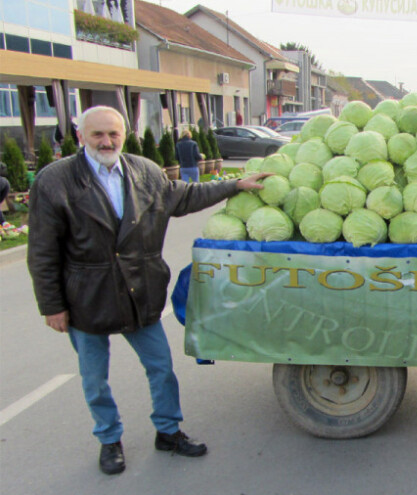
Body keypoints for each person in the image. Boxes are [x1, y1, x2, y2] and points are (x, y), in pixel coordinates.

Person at [27, 106, 270, 476]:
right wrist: (52, 305)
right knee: (95, 378)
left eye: (113, 133)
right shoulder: (55, 180)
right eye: (97, 134)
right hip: (86, 296)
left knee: (161, 368)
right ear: (81, 136)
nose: (106, 141)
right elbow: (42, 250)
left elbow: (184, 195)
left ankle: (168, 431)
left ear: (124, 135)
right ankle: (109, 439)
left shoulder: (144, 170)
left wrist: (234, 185)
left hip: (139, 290)